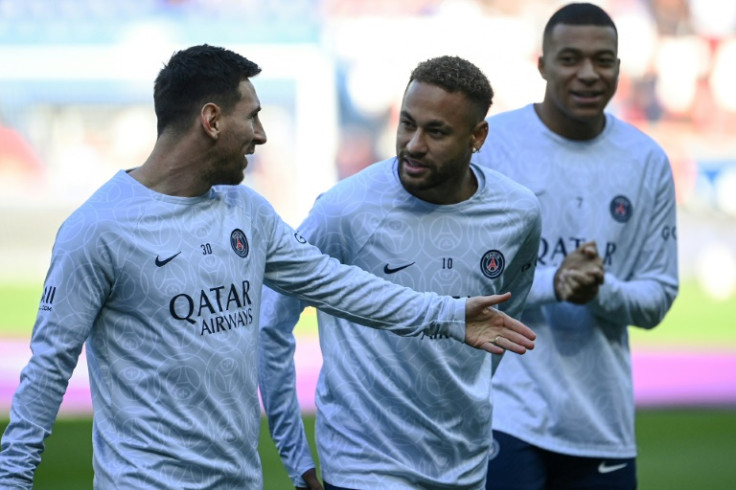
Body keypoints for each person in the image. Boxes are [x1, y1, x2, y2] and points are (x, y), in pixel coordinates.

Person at [0, 45, 538, 489]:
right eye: (252, 116)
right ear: (211, 120)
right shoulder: (98, 229)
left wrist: (446, 314)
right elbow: (47, 372)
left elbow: (340, 285)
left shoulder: (247, 213)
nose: (260, 135)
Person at [259, 55, 543, 489]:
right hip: (362, 470)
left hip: (465, 469)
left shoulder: (517, 214)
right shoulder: (345, 209)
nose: (413, 144)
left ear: (477, 137)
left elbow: (501, 328)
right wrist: (296, 458)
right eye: (407, 123)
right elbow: (270, 324)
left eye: (436, 131)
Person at [475, 4, 679, 489]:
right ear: (542, 63)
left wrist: (598, 290)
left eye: (603, 60)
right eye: (570, 59)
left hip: (599, 423)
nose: (588, 74)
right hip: (504, 408)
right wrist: (555, 283)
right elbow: (462, 278)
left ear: (619, 69)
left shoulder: (646, 160)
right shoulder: (494, 144)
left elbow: (658, 297)